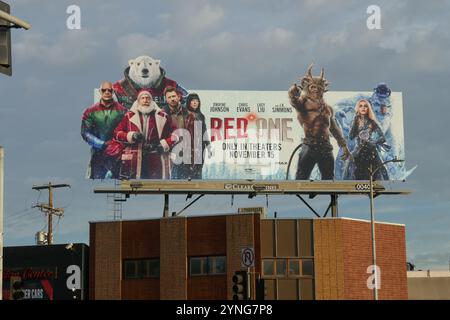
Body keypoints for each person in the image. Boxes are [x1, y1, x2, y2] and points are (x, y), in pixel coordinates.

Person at [288, 64, 350, 180]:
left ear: (322, 90)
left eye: (318, 87)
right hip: (309, 146)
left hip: (326, 148)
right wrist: (293, 94)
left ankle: (325, 195)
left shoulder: (328, 109)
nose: (315, 89)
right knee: (300, 179)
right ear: (308, 89)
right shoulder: (303, 103)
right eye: (312, 87)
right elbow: (294, 101)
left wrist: (343, 146)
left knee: (329, 180)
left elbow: (334, 128)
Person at [113, 90, 177, 179]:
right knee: (135, 185)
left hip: (156, 156)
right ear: (138, 101)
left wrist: (164, 144)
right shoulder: (128, 116)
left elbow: (176, 135)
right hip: (134, 158)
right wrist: (131, 135)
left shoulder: (163, 116)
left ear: (152, 101)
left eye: (148, 98)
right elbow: (116, 134)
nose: (145, 100)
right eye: (142, 98)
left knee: (156, 186)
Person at [81, 81, 127, 179]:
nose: (107, 92)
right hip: (98, 155)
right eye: (104, 90)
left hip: (117, 154)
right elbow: (85, 133)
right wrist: (101, 144)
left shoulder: (123, 111)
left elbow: (126, 131)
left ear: (113, 92)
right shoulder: (90, 112)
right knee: (97, 180)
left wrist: (116, 145)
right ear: (100, 92)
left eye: (109, 90)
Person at [346, 99, 389, 180]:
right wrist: (356, 126)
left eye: (365, 106)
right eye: (361, 106)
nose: (363, 108)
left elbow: (382, 137)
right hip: (359, 151)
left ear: (368, 108)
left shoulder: (372, 122)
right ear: (358, 108)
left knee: (373, 173)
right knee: (355, 171)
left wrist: (371, 139)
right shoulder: (356, 120)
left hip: (371, 151)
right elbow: (351, 136)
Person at [182, 93, 212, 179]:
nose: (195, 103)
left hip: (199, 147)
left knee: (198, 170)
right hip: (187, 146)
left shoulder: (200, 115)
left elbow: (204, 131)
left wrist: (208, 145)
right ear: (189, 102)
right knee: (187, 170)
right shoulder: (184, 114)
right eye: (193, 101)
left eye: (197, 101)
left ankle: (197, 186)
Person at [163, 86, 188, 179]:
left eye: (173, 96)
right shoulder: (162, 113)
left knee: (186, 180)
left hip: (186, 149)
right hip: (170, 150)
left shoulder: (187, 113)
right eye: (169, 97)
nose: (172, 99)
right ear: (166, 99)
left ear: (178, 97)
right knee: (171, 178)